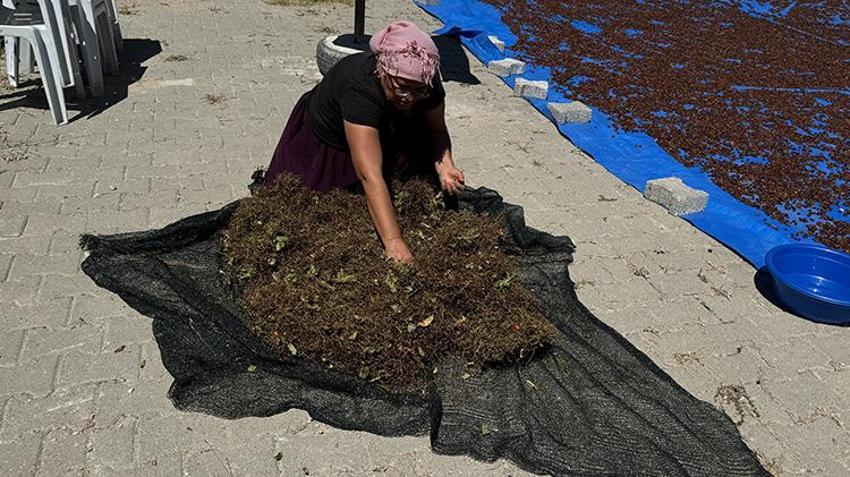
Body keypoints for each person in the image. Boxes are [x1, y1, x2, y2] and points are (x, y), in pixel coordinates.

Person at [264, 21, 464, 264]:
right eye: (403, 88)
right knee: (316, 212)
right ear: (383, 71)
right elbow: (369, 174)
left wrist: (445, 165)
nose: (410, 97)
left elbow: (437, 131)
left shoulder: (425, 82)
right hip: (332, 142)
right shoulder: (360, 89)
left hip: (387, 127)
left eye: (418, 91)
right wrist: (394, 242)